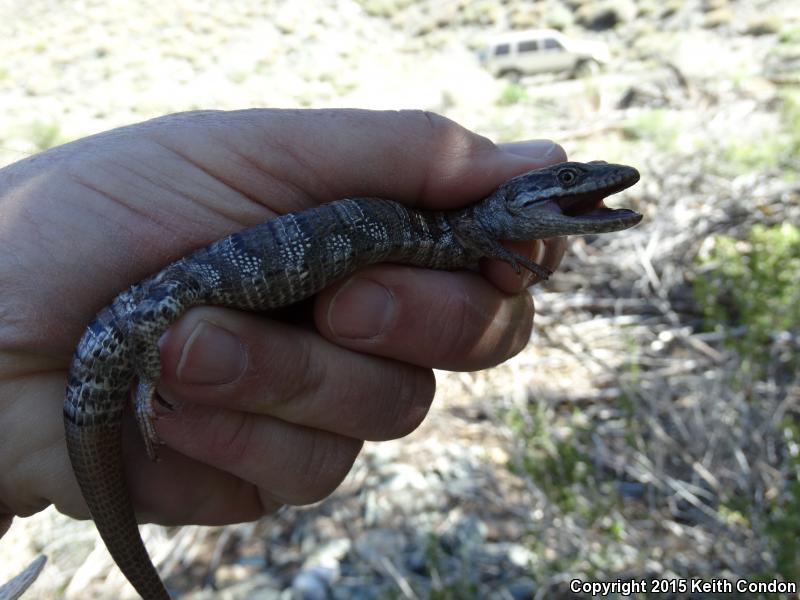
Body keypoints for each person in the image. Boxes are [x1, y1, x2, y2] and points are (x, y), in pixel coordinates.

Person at [0, 108, 566, 535]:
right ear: (520, 189)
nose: (582, 182)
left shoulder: (467, 234)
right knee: (165, 325)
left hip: (172, 304)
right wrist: (146, 367)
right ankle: (151, 369)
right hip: (157, 302)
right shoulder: (468, 228)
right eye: (566, 179)